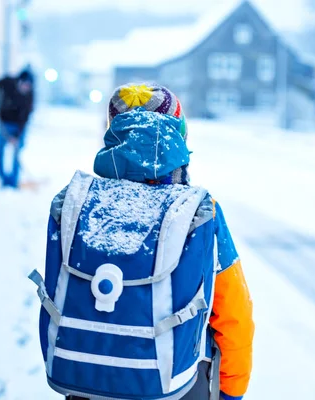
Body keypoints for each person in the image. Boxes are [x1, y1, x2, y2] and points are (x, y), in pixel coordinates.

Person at [30, 83, 254, 400]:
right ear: (178, 136)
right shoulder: (198, 213)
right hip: (173, 386)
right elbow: (234, 317)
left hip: (85, 378)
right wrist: (231, 393)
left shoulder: (78, 203)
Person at [0, 70, 34, 188]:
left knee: (17, 152)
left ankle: (13, 181)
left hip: (19, 125)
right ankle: (3, 179)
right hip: (4, 121)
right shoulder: (7, 82)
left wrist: (17, 137)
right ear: (19, 82)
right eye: (24, 85)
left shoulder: (29, 96)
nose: (26, 89)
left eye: (28, 87)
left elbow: (26, 117)